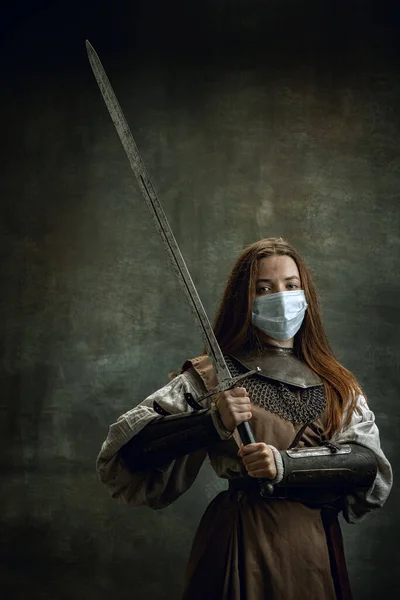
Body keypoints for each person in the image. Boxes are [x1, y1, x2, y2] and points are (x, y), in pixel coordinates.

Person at [96, 237, 392, 600]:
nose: (281, 297)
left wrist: (285, 465)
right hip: (242, 542)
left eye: (291, 286)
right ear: (245, 300)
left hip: (314, 546)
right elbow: (127, 456)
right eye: (264, 288)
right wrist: (210, 423)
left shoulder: (336, 383)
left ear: (307, 295)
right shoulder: (212, 377)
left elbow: (368, 465)